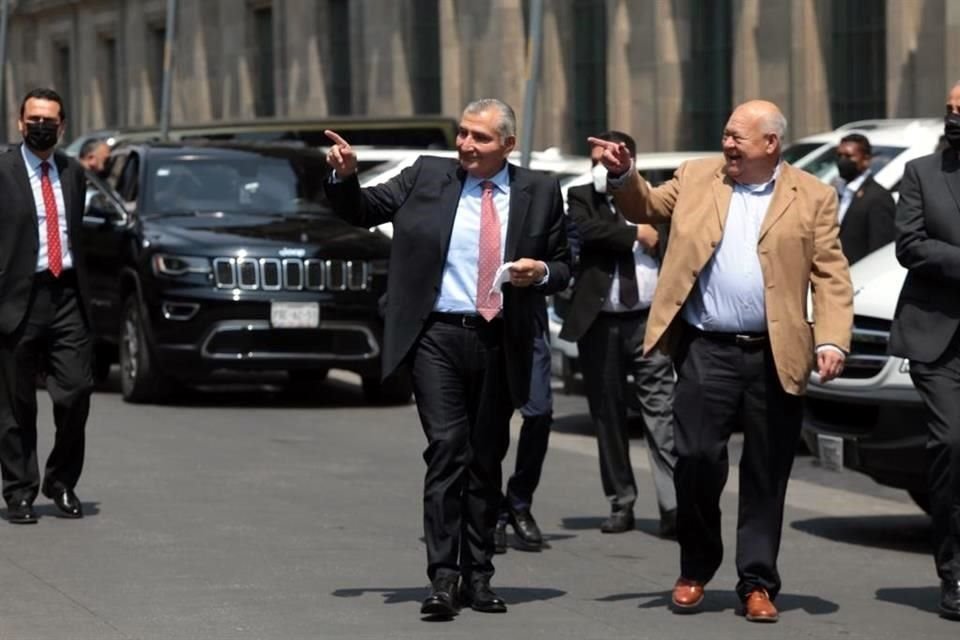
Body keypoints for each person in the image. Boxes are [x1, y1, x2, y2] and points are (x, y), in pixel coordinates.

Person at [592, 99, 853, 623]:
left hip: (775, 353)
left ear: (770, 145)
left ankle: (757, 582)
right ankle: (695, 566)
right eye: (726, 134)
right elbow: (645, 206)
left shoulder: (813, 195)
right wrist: (622, 174)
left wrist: (832, 339)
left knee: (766, 471)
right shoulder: (696, 177)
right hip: (705, 349)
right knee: (693, 458)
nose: (727, 145)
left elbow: (830, 274)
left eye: (738, 137)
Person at [323, 98, 570, 618]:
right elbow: (363, 210)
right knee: (447, 448)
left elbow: (566, 262)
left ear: (508, 144)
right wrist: (345, 177)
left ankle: (478, 577)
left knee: (485, 458)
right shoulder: (426, 175)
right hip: (436, 335)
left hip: (500, 338)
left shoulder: (540, 191)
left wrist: (540, 272)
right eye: (461, 134)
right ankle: (442, 577)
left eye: (479, 138)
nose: (465, 145)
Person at [559, 130, 678, 538]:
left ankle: (672, 505)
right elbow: (587, 231)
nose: (599, 166)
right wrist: (635, 234)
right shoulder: (580, 196)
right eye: (594, 158)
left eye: (607, 158)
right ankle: (621, 501)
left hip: (648, 320)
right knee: (607, 413)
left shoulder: (653, 198)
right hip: (601, 321)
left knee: (660, 412)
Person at [0, 88, 94, 524]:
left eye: (49, 120)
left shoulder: (72, 172)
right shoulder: (2, 170)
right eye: (33, 119)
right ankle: (20, 490)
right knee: (16, 404)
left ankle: (61, 482)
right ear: (21, 123)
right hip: (17, 298)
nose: (41, 126)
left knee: (75, 391)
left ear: (62, 127)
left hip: (66, 296)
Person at [888, 82, 960, 622]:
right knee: (953, 444)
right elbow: (910, 244)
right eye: (950, 109)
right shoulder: (922, 173)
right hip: (939, 340)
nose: (954, 117)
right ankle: (953, 574)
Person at [495, 308, 552, 554]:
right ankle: (492, 510)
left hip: (527, 317)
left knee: (540, 412)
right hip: (478, 320)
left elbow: (560, 270)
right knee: (488, 422)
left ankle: (519, 501)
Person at [834, 133, 896, 264]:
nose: (842, 161)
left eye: (849, 156)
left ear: (866, 159)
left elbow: (880, 248)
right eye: (839, 155)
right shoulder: (836, 192)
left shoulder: (878, 197)